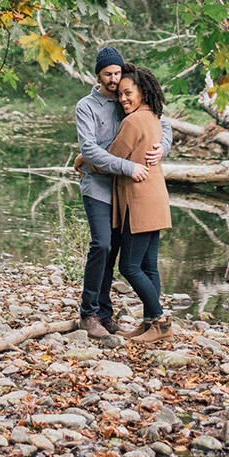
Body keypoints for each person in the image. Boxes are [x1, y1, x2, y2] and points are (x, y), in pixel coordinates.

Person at [74, 45, 171, 339]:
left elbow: (162, 124)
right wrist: (121, 166)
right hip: (99, 187)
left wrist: (162, 148)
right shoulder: (86, 106)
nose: (115, 80)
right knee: (102, 247)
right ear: (98, 75)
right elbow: (89, 148)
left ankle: (108, 314)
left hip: (125, 194)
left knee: (118, 253)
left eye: (117, 73)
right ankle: (89, 313)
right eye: (108, 74)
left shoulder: (126, 101)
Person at [109, 63, 173, 345]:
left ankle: (159, 320)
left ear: (143, 92)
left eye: (128, 93)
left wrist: (82, 159)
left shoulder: (133, 122)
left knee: (129, 266)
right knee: (149, 266)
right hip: (156, 199)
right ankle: (149, 322)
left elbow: (111, 158)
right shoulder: (154, 117)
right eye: (120, 94)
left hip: (141, 202)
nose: (123, 99)